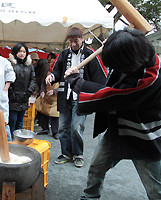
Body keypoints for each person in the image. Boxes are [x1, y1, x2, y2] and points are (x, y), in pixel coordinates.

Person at [64, 28, 161, 200]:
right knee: (96, 167)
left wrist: (77, 82)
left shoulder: (150, 78)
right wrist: (113, 44)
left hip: (144, 134)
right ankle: (90, 196)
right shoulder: (137, 51)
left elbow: (111, 95)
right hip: (117, 128)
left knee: (155, 188)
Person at [45, 27, 108, 168]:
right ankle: (66, 153)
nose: (73, 44)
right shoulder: (64, 54)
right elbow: (56, 70)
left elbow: (100, 79)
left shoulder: (91, 54)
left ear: (82, 39)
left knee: (76, 127)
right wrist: (51, 76)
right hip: (64, 96)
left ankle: (78, 154)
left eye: (76, 41)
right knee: (62, 127)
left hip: (80, 97)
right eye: (71, 41)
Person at [8, 42, 35, 137]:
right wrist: (11, 93)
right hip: (13, 98)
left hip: (24, 98)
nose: (22, 53)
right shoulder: (10, 64)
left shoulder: (29, 65)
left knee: (20, 122)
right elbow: (7, 80)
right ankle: (10, 142)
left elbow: (33, 79)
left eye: (24, 51)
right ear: (15, 52)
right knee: (12, 121)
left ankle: (18, 142)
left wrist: (28, 93)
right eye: (20, 51)